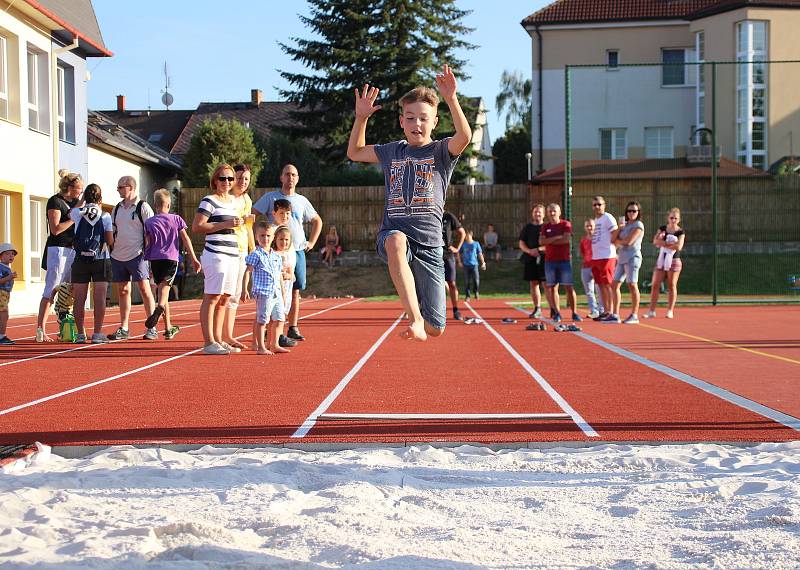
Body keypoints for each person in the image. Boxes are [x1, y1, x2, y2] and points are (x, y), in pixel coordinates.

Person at [346, 64, 472, 341]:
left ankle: (423, 321)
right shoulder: (392, 151)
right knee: (395, 242)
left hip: (430, 244)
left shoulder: (441, 151)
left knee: (436, 329)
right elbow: (354, 152)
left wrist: (451, 99)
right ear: (401, 121)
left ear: (434, 122)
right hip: (395, 233)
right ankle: (414, 318)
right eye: (411, 118)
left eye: (423, 119)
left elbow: (465, 138)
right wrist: (361, 119)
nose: (417, 124)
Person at [252, 163, 323, 344]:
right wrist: (258, 239)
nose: (290, 178)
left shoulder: (301, 200)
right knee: (274, 290)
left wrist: (312, 242)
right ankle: (272, 329)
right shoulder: (270, 197)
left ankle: (292, 327)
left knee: (295, 289)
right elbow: (253, 215)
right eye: (287, 174)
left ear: (297, 178)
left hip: (296, 250)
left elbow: (317, 220)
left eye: (293, 175)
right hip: (275, 251)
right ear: (281, 177)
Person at [192, 164, 244, 355]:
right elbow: (197, 227)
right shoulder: (209, 201)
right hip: (215, 254)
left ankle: (219, 340)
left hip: (232, 254)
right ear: (215, 180)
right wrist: (224, 224)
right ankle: (209, 342)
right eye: (222, 178)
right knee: (212, 297)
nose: (227, 182)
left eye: (230, 179)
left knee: (224, 299)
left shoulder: (233, 202)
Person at [143, 189, 202, 339]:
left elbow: (147, 242)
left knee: (162, 290)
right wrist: (194, 259)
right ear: (168, 205)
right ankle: (159, 308)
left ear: (155, 205)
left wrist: (147, 259)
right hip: (171, 258)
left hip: (155, 259)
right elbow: (186, 239)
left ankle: (168, 327)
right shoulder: (176, 219)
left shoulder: (149, 222)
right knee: (165, 289)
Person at [107, 176, 158, 341]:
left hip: (138, 255)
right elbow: (113, 230)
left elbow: (152, 231)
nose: (118, 190)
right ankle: (124, 327)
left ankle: (152, 327)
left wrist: (149, 253)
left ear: (130, 187)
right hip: (118, 255)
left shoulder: (143, 207)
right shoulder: (116, 208)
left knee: (144, 289)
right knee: (123, 291)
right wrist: (111, 248)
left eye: (120, 187)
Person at [36, 170, 82, 342]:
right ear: (70, 187)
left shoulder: (76, 202)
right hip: (57, 249)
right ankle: (40, 329)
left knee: (69, 290)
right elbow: (55, 229)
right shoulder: (55, 201)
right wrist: (73, 218)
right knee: (52, 288)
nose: (81, 192)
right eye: (79, 188)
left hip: (73, 249)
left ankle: (65, 328)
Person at [68, 184, 114, 344]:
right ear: (100, 198)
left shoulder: (77, 213)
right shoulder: (105, 216)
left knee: (79, 298)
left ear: (85, 197)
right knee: (99, 297)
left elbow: (70, 211)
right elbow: (110, 240)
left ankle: (80, 334)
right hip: (100, 260)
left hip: (80, 259)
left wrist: (81, 201)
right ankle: (97, 333)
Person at [221, 164, 256, 351]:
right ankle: (217, 336)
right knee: (222, 294)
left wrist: (253, 249)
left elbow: (249, 226)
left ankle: (229, 335)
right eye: (240, 178)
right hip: (225, 249)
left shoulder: (247, 200)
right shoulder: (224, 199)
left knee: (234, 295)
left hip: (241, 250)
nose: (243, 182)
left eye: (246, 179)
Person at [241, 222, 288, 355]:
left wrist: (283, 293)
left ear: (272, 237)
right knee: (262, 320)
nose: (265, 239)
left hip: (276, 292)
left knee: (279, 319)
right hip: (263, 292)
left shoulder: (276, 256)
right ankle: (261, 346)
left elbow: (279, 275)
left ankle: (274, 344)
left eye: (268, 236)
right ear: (257, 237)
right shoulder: (256, 254)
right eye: (262, 236)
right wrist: (244, 289)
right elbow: (248, 271)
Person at [540, 203, 580, 322]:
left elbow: (566, 239)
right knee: (552, 287)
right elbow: (541, 242)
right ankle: (557, 312)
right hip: (550, 261)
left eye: (554, 211)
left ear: (559, 212)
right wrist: (556, 238)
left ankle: (574, 313)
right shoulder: (544, 227)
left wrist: (549, 241)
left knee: (569, 287)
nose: (552, 213)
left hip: (564, 260)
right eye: (550, 211)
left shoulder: (565, 224)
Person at [270, 199, 302, 348]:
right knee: (277, 307)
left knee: (286, 305)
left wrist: (291, 273)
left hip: (288, 277)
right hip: (277, 278)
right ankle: (277, 335)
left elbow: (290, 255)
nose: (284, 216)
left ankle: (276, 334)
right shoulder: (272, 231)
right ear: (274, 213)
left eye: (287, 213)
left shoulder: (288, 231)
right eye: (281, 213)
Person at [644, 207, 685, 319]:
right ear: (668, 218)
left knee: (671, 285)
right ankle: (651, 311)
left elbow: (679, 246)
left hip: (674, 261)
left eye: (675, 218)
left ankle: (670, 310)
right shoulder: (662, 229)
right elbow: (655, 241)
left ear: (679, 219)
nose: (673, 220)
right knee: (655, 284)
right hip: (661, 260)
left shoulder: (680, 232)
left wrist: (664, 244)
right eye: (671, 217)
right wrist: (667, 243)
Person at [611, 201, 645, 324]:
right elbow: (612, 239)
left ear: (638, 212)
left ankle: (634, 315)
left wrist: (619, 241)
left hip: (632, 258)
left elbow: (629, 242)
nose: (631, 213)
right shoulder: (624, 225)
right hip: (622, 258)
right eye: (629, 211)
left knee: (632, 284)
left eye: (634, 211)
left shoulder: (638, 225)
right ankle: (615, 314)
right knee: (614, 285)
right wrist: (619, 229)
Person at [590, 195, 619, 323]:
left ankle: (612, 312)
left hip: (607, 256)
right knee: (600, 285)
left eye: (599, 204)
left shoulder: (608, 217)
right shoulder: (595, 220)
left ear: (604, 205)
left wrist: (614, 248)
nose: (597, 207)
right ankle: (606, 311)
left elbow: (615, 232)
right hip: (596, 256)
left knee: (607, 285)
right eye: (595, 205)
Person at [518, 204, 548, 319]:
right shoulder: (527, 228)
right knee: (534, 283)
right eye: (536, 212)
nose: (537, 214)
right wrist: (529, 251)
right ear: (532, 213)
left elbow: (550, 244)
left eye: (540, 212)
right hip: (530, 258)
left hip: (544, 258)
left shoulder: (546, 227)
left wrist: (539, 250)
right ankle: (537, 308)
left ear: (543, 214)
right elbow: (521, 243)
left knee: (546, 284)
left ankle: (553, 309)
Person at [443, 210, 466, 320]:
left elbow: (462, 232)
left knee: (451, 283)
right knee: (429, 284)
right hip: (432, 255)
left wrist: (457, 248)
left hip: (447, 255)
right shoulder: (429, 215)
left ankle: (456, 310)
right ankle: (425, 310)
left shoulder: (449, 216)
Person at [579, 219, 603, 319]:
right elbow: (582, 252)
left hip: (597, 267)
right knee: (589, 291)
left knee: (599, 289)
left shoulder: (599, 239)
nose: (589, 228)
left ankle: (602, 310)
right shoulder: (583, 240)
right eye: (587, 226)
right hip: (586, 267)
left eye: (591, 226)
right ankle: (593, 310)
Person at [273, 225, 296, 323]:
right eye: (281, 239)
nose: (284, 242)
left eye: (286, 239)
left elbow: (292, 274)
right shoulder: (273, 254)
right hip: (276, 289)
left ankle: (279, 335)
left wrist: (288, 276)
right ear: (275, 240)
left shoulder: (287, 255)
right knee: (274, 314)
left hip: (286, 288)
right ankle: (270, 334)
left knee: (282, 314)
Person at [458, 230, 486, 301]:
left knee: (476, 280)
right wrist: (459, 262)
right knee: (467, 281)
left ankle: (476, 292)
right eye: (465, 236)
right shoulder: (463, 244)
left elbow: (480, 253)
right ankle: (467, 295)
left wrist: (483, 262)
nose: (466, 237)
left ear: (471, 235)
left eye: (467, 236)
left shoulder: (476, 244)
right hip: (466, 265)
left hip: (474, 265)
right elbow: (458, 253)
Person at [0, 243, 18, 345]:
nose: (11, 256)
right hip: (1, 293)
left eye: (12, 254)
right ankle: (1, 336)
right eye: (7, 254)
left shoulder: (7, 267)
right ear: (1, 256)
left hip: (5, 294)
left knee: (4, 315)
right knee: (4, 314)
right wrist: (9, 277)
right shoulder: (1, 267)